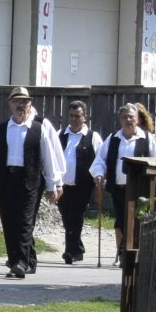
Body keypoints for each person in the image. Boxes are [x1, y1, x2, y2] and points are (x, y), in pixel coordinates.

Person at [0, 86, 67, 279]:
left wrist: (54, 184)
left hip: (30, 181)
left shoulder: (39, 130)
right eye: (17, 101)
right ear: (10, 104)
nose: (21, 105)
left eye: (25, 102)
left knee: (25, 222)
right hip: (5, 180)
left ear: (30, 105)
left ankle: (21, 262)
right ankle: (15, 260)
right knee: (9, 222)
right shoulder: (0, 130)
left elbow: (49, 160)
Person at [54, 100, 105, 266]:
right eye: (71, 116)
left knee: (75, 216)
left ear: (85, 117)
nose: (74, 119)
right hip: (63, 186)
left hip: (83, 186)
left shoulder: (92, 137)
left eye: (78, 116)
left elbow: (100, 159)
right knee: (66, 216)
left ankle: (72, 252)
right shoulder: (60, 134)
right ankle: (77, 248)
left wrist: (99, 184)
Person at [97, 104, 156, 235]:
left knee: (138, 222)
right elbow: (100, 159)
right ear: (120, 120)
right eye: (125, 117)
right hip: (118, 189)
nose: (128, 120)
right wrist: (98, 173)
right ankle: (123, 252)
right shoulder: (113, 138)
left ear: (137, 119)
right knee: (121, 221)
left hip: (140, 190)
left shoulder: (147, 139)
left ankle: (134, 252)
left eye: (131, 117)